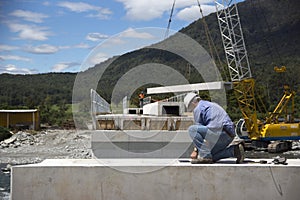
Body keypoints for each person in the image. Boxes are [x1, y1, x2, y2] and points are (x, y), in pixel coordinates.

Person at [184, 92, 245, 164]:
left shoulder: (198, 108)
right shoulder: (209, 105)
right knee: (211, 156)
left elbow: (198, 131)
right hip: (228, 135)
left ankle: (205, 156)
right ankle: (234, 150)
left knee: (192, 129)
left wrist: (196, 151)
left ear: (192, 103)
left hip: (220, 133)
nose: (191, 111)